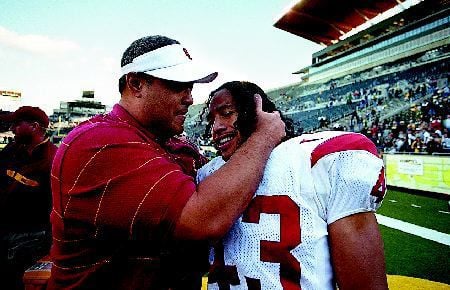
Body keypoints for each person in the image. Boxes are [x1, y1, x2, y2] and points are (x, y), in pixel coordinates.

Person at [47, 36, 285, 289]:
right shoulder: (99, 142)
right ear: (136, 84)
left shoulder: (168, 144)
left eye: (191, 87)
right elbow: (204, 220)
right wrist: (263, 136)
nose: (190, 98)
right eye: (178, 85)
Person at [197, 81, 388, 290]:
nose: (216, 128)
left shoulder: (317, 159)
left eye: (226, 113)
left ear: (258, 112)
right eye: (212, 119)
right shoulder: (207, 174)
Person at [0, 106, 57, 290]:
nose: (12, 128)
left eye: (17, 124)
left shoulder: (54, 158)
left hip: (34, 240)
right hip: (5, 232)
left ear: (34, 126)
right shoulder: (10, 151)